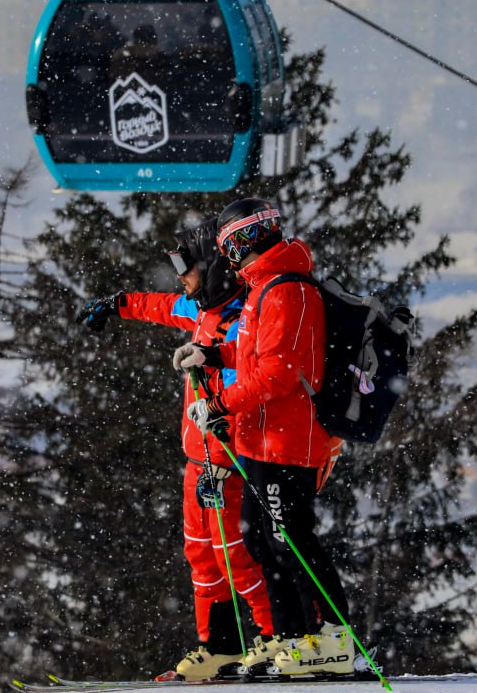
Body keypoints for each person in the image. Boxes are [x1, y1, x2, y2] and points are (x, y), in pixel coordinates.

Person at [75, 215, 276, 681]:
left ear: (216, 268)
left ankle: (273, 638)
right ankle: (219, 647)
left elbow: (249, 388)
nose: (182, 278)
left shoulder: (242, 321)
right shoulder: (203, 312)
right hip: (196, 458)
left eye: (188, 266)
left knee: (237, 552)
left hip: (227, 459)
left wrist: (226, 446)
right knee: (202, 552)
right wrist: (117, 304)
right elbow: (161, 306)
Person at [172, 198, 353, 677]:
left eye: (226, 246)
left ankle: (336, 639)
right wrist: (215, 357)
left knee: (290, 540)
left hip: (289, 440)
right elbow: (255, 354)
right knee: (260, 538)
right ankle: (291, 638)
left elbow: (278, 373)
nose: (224, 257)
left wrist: (217, 404)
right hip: (264, 439)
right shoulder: (264, 287)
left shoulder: (286, 289)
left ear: (240, 242)